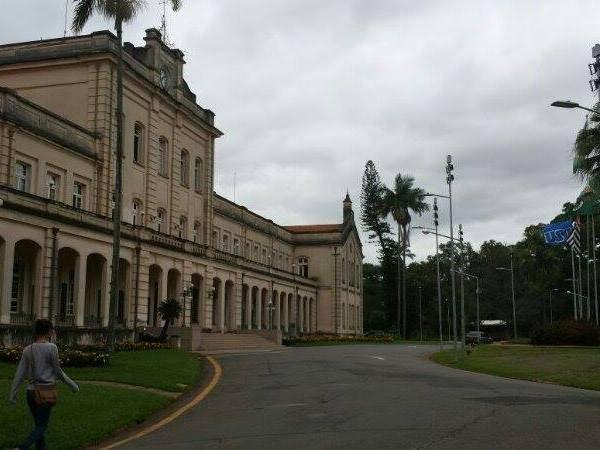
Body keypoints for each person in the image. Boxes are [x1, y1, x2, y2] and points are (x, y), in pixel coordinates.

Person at [8, 319, 79, 450]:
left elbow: (19, 374)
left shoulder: (27, 349)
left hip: (30, 392)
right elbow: (58, 372)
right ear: (48, 332)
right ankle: (21, 448)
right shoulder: (52, 347)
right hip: (45, 392)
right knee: (42, 426)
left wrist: (13, 395)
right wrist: (72, 385)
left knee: (38, 425)